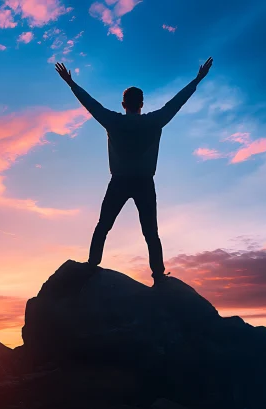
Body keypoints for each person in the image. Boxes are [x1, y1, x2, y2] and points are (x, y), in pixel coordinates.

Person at [55, 57, 213, 284]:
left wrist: (71, 83)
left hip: (119, 182)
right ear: (142, 103)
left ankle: (92, 264)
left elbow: (90, 103)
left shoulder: (113, 121)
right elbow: (177, 102)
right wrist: (197, 79)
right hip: (144, 183)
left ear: (123, 104)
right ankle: (158, 275)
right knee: (151, 232)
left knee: (104, 225)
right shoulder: (155, 121)